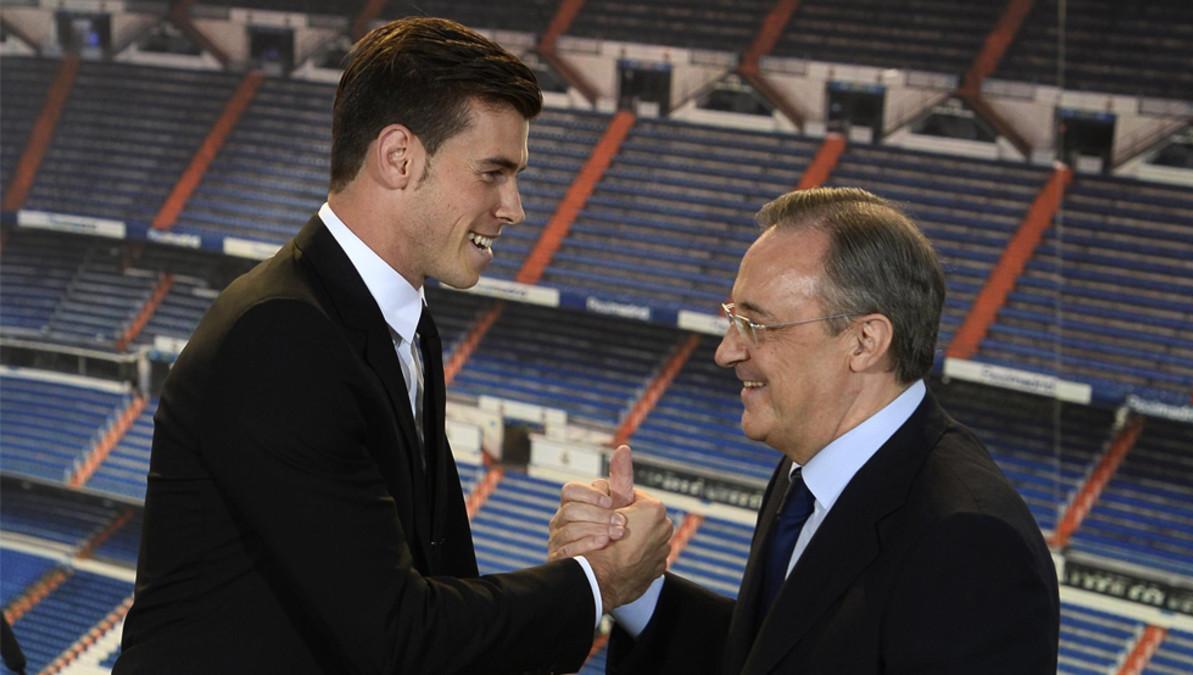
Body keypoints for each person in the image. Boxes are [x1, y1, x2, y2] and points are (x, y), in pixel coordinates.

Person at [116, 17, 672, 674]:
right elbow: (397, 638)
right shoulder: (281, 339)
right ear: (399, 156)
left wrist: (576, 573)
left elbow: (440, 580)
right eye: (493, 172)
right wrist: (596, 581)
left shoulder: (400, 322)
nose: (515, 206)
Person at [549, 187, 1061, 673]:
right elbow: (771, 657)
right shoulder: (810, 467)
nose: (726, 351)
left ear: (864, 342)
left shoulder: (971, 544)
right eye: (733, 318)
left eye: (757, 325)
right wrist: (635, 587)